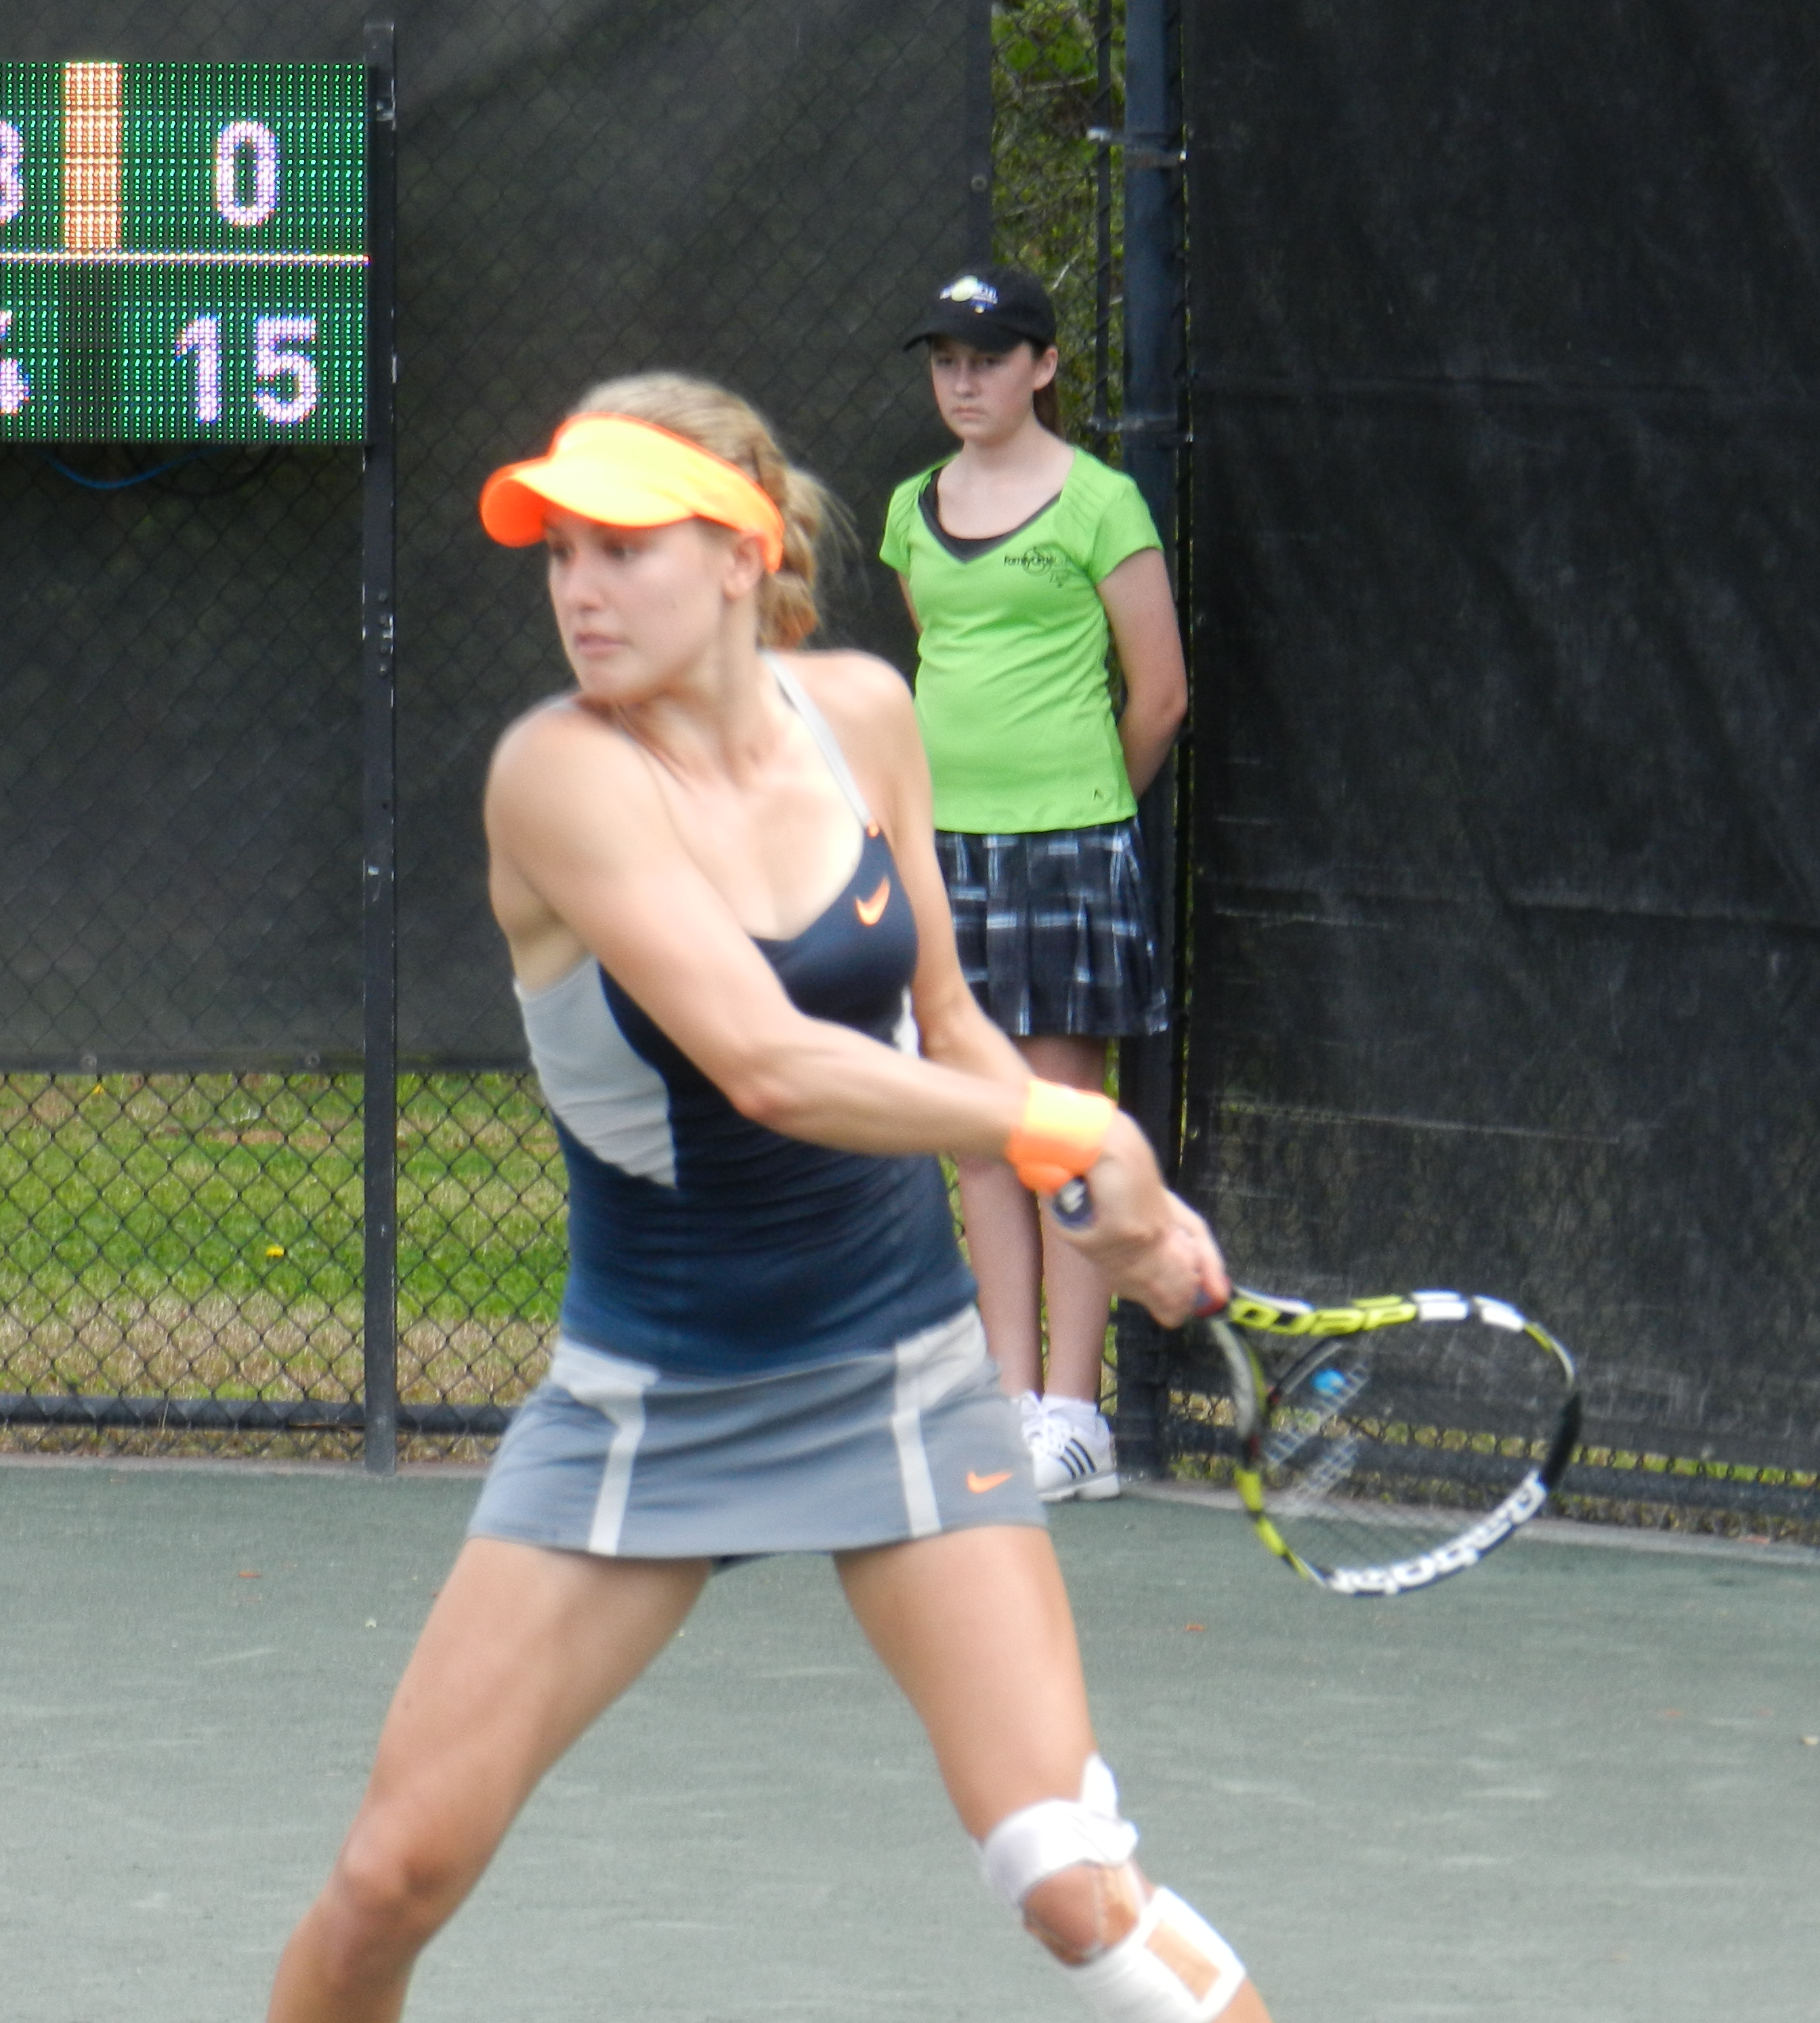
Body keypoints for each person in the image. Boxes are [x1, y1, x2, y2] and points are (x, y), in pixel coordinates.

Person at [263, 375, 1271, 2023]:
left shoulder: (865, 714)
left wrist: (1111, 1203)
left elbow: (944, 1025)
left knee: (1066, 1876)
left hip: (905, 1377)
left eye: (625, 548)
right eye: (559, 553)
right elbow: (769, 1064)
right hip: (648, 1403)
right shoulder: (557, 777)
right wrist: (1065, 1127)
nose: (579, 590)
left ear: (741, 555)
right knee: (390, 1880)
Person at [881, 265, 1188, 1506]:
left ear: (1044, 367)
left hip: (1070, 845)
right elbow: (937, 657)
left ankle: (1076, 1415)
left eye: (990, 359)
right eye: (947, 362)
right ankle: (1009, 1402)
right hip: (944, 852)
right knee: (981, 1130)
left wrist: (1084, 808)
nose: (965, 382)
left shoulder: (1104, 503)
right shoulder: (911, 509)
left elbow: (1158, 694)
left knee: (1061, 1125)